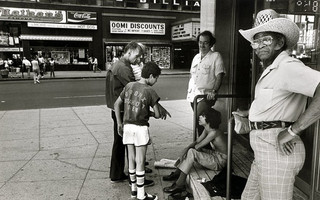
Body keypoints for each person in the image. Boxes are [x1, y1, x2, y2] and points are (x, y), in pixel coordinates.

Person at [235, 9, 320, 200]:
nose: (258, 46)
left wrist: (292, 131)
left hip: (277, 151)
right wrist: (252, 112)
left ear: (280, 42)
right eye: (255, 41)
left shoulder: (287, 66)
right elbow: (278, 102)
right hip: (264, 151)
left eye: (266, 40)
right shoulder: (272, 69)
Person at [105, 41, 171, 185]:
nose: (139, 59)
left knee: (123, 143)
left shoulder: (118, 65)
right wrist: (158, 108)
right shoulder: (123, 68)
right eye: (137, 55)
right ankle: (132, 176)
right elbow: (139, 90)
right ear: (129, 52)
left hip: (119, 109)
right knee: (130, 145)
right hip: (124, 112)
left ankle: (123, 173)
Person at [114, 61, 165, 200]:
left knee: (131, 158)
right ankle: (142, 195)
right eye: (156, 78)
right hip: (141, 128)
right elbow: (158, 114)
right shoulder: (150, 91)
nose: (156, 81)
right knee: (140, 160)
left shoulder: (129, 86)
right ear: (150, 76)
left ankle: (133, 192)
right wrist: (152, 114)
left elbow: (117, 104)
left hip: (127, 126)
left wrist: (119, 123)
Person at [162, 109, 227, 195]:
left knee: (192, 152)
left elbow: (197, 146)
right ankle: (177, 173)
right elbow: (196, 142)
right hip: (215, 155)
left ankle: (179, 185)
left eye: (203, 116)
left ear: (209, 119)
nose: (199, 117)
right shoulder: (207, 129)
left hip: (220, 161)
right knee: (190, 150)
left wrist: (185, 151)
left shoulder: (214, 132)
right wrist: (186, 148)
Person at [186, 30, 226, 141]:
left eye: (205, 42)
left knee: (199, 121)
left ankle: (203, 145)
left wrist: (214, 91)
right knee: (202, 123)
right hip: (193, 95)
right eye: (200, 42)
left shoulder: (216, 56)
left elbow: (220, 75)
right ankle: (205, 145)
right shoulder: (196, 57)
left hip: (205, 96)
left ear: (211, 44)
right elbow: (192, 75)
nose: (202, 45)